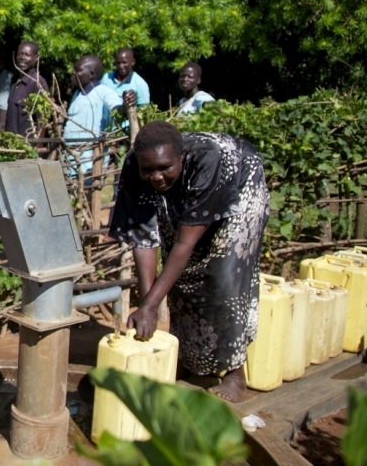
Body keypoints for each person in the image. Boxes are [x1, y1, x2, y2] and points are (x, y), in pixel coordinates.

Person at [110, 121, 270, 402]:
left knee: (223, 273)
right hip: (190, 187)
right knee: (180, 276)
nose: (156, 177)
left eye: (164, 168)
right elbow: (143, 236)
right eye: (149, 170)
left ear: (181, 157)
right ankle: (181, 355)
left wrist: (148, 307)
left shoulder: (209, 157)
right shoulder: (135, 166)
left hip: (240, 183)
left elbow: (186, 242)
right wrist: (149, 304)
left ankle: (234, 372)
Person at [65, 55, 134, 173]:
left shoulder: (104, 93)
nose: (73, 73)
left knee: (88, 190)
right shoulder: (78, 94)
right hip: (70, 158)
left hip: (89, 162)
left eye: (78, 70)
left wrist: (126, 104)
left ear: (91, 74)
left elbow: (118, 111)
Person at [5, 41, 50, 136]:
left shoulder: (38, 83)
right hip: (12, 144)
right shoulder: (15, 81)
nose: (22, 57)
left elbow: (42, 121)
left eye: (27, 55)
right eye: (20, 54)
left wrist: (37, 148)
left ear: (36, 58)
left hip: (27, 145)